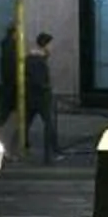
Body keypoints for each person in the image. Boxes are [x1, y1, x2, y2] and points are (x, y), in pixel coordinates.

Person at [20, 30, 62, 163]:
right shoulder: (37, 60)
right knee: (48, 124)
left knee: (26, 123)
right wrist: (47, 88)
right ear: (46, 45)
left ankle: (22, 147)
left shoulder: (33, 58)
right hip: (40, 97)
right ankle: (53, 152)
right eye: (51, 44)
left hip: (32, 96)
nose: (53, 48)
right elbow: (38, 80)